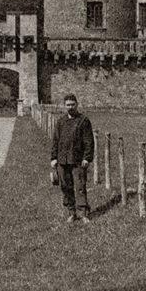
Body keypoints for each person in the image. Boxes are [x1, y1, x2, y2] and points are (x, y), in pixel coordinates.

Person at [50, 93, 94, 223]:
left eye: (72, 105)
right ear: (64, 106)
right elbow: (55, 141)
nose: (70, 107)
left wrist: (87, 158)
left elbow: (89, 141)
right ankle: (71, 212)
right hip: (62, 160)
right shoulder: (61, 122)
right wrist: (53, 158)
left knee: (80, 186)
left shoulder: (83, 121)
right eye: (68, 105)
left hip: (78, 160)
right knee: (65, 186)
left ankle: (83, 213)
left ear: (77, 105)